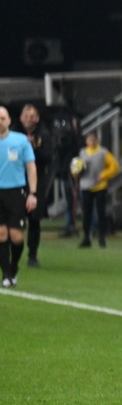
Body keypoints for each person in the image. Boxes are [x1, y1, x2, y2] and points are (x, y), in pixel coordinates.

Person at [0, 106, 36, 288]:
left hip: (16, 192)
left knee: (16, 236)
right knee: (1, 234)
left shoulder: (21, 141)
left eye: (2, 118)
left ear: (9, 121)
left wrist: (32, 194)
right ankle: (6, 274)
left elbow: (31, 167)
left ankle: (13, 267)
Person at [17, 104, 51, 268]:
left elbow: (48, 157)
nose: (28, 119)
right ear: (21, 118)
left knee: (34, 219)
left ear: (37, 118)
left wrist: (33, 148)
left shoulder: (43, 135)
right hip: (16, 181)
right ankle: (12, 252)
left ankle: (32, 254)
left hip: (36, 182)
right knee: (13, 219)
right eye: (26, 116)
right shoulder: (14, 135)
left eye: (32, 116)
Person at [72, 131, 119, 250]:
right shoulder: (83, 152)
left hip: (100, 186)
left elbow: (114, 165)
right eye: (89, 140)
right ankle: (86, 238)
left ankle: (101, 237)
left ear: (97, 141)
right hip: (86, 186)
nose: (92, 142)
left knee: (101, 212)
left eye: (94, 140)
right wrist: (75, 173)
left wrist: (104, 174)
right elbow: (77, 166)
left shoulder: (103, 152)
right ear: (86, 141)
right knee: (86, 213)